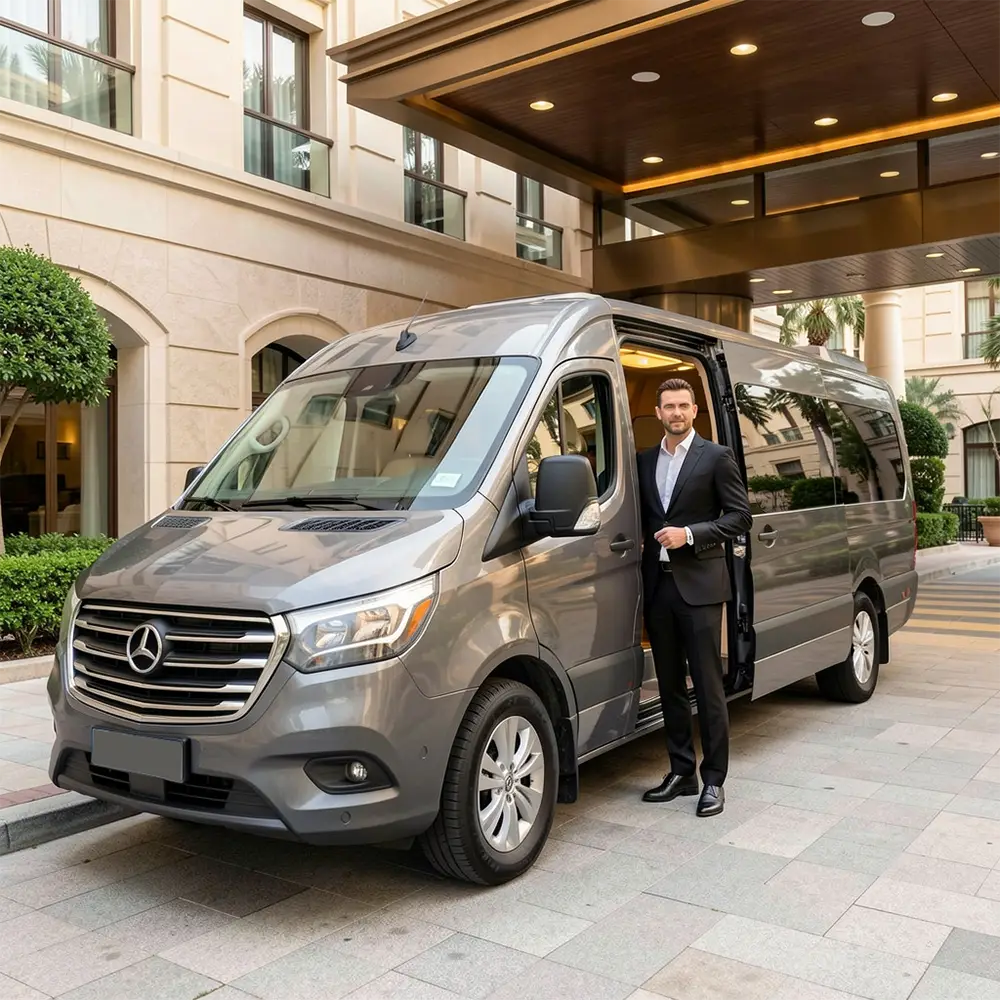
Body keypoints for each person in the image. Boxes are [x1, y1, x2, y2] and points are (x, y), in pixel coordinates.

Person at [637, 378, 752, 816]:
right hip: (660, 588)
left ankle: (714, 780)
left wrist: (690, 534)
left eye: (684, 405)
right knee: (669, 686)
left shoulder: (716, 458)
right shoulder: (645, 461)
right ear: (658, 411)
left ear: (695, 410)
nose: (676, 413)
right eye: (669, 406)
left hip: (701, 589)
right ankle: (682, 771)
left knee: (708, 688)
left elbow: (740, 517)